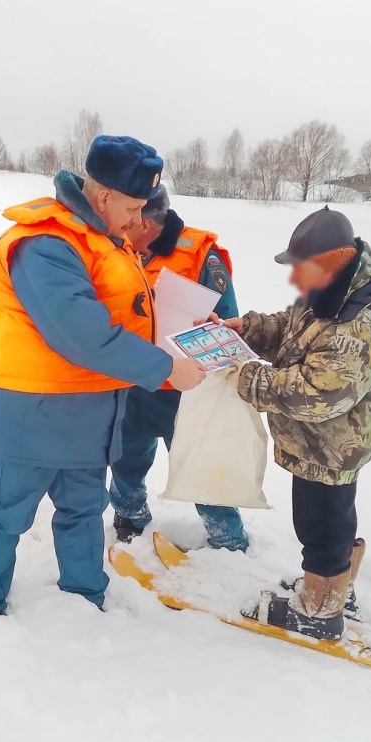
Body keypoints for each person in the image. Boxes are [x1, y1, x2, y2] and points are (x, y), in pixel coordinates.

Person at [0, 136, 206, 615]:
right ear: (103, 198)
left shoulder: (100, 239)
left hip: (91, 412)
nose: (142, 221)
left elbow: (125, 312)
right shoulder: (46, 243)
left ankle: (85, 598)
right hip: (33, 412)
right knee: (7, 513)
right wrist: (163, 368)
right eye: (135, 207)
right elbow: (80, 333)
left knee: (84, 512)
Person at [223, 206, 371, 639]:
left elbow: (317, 394)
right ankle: (331, 584)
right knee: (331, 517)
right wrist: (247, 329)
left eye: (300, 269)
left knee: (319, 523)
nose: (294, 281)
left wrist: (246, 376)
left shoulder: (361, 323)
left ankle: (321, 610)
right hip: (323, 441)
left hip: (332, 441)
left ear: (328, 263)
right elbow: (294, 326)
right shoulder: (337, 290)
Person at [109, 186, 249, 552]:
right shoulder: (116, 247)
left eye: (133, 221)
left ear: (149, 221)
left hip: (186, 388)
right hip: (133, 380)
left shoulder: (202, 256)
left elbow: (227, 323)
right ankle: (128, 515)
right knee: (125, 457)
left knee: (200, 465)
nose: (124, 228)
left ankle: (228, 539)